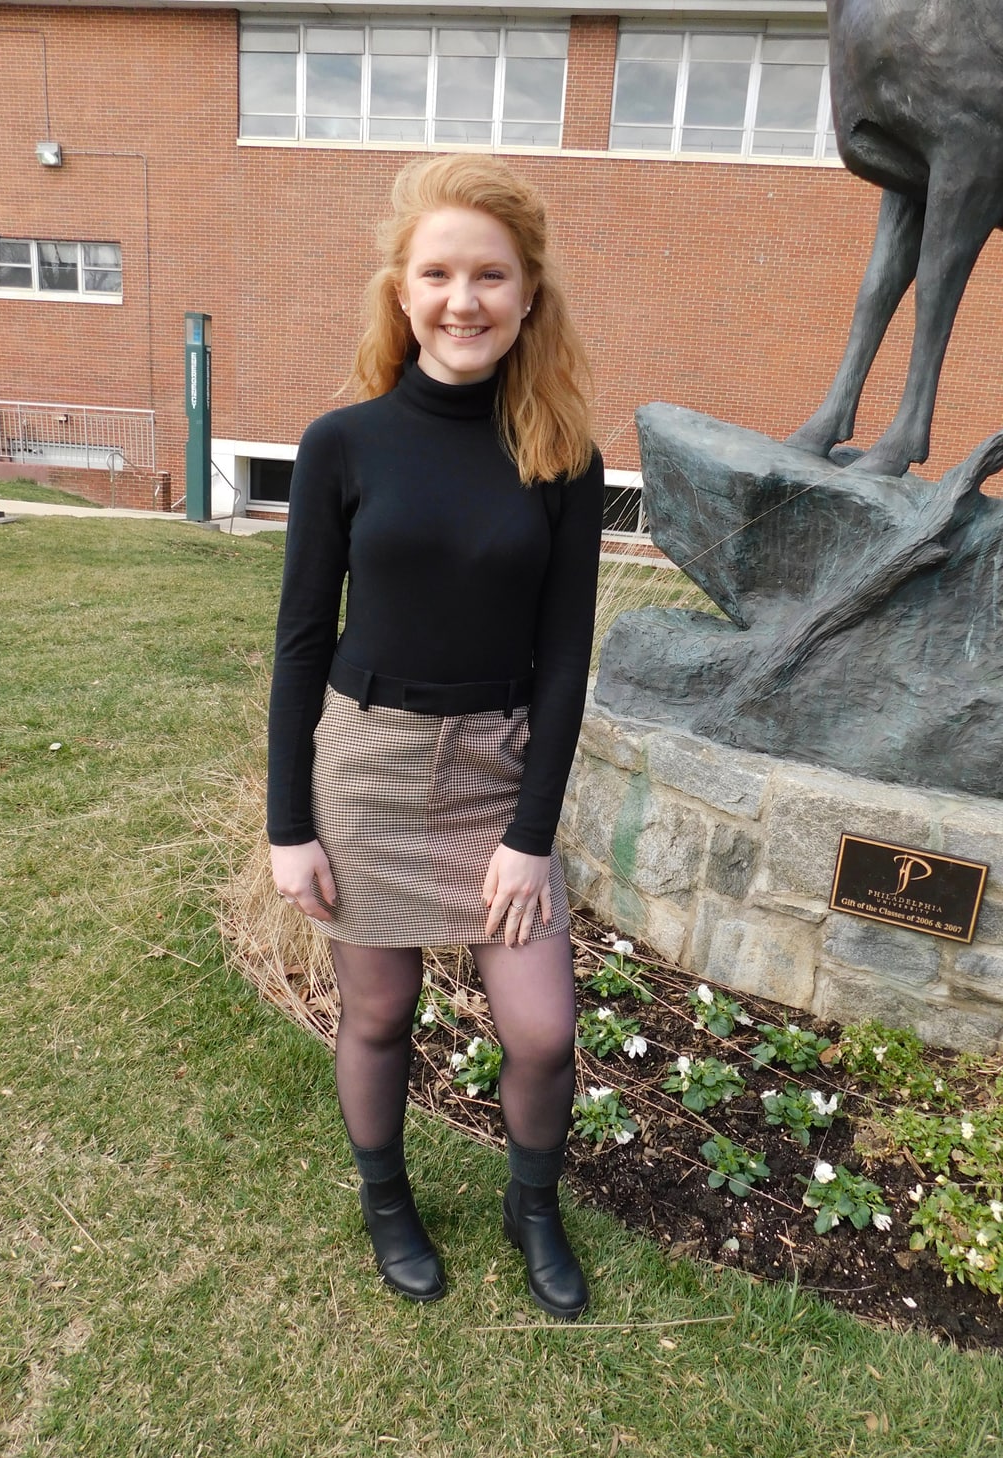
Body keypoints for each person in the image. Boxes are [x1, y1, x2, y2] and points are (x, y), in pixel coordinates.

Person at [267, 153, 604, 1321]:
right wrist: (287, 827)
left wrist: (530, 835)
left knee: (542, 1031)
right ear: (402, 293)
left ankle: (532, 1204)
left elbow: (565, 664)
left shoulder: (561, 456)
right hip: (362, 765)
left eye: (491, 276)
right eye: (440, 274)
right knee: (378, 1013)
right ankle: (387, 1203)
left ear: (526, 295)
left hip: (497, 773)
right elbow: (302, 641)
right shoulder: (341, 444)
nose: (465, 301)